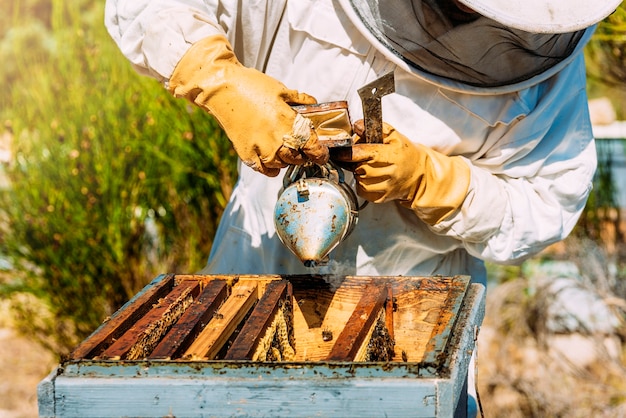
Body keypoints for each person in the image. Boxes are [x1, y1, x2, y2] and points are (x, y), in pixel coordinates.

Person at [104, 0, 619, 414]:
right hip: (257, 265)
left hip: (417, 303)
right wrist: (216, 76)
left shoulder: (547, 62)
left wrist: (432, 180)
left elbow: (547, 200)